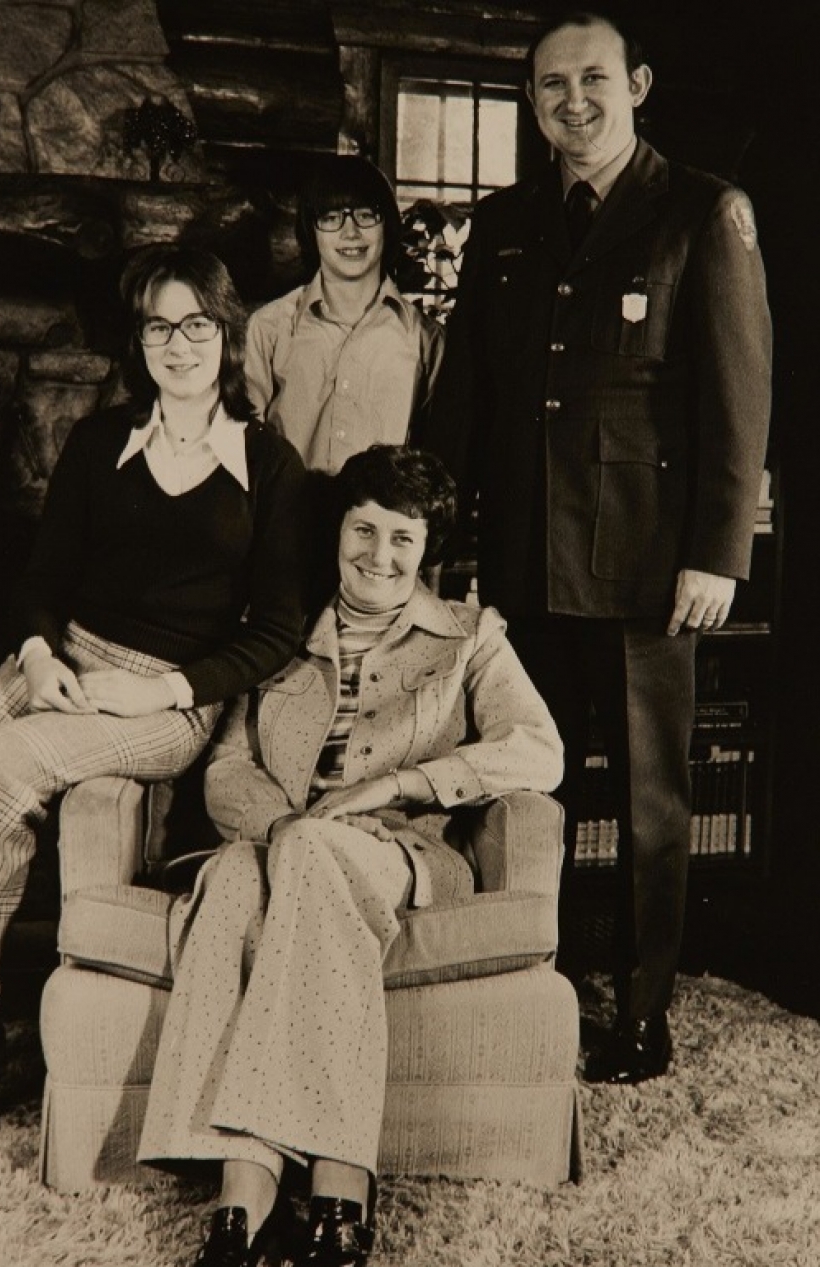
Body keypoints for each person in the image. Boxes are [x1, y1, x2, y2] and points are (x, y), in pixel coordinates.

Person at [423, 10, 772, 1083]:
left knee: (650, 799)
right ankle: (538, 974)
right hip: (525, 560)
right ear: (531, 101)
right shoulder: (508, 222)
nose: (572, 102)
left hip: (645, 568)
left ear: (639, 85)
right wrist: (431, 532)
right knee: (531, 783)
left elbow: (737, 397)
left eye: (592, 81)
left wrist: (717, 555)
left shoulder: (703, 213)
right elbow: (467, 397)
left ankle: (645, 1007)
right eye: (549, 86)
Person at [137, 445, 563, 1267]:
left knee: (304, 859)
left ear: (426, 547)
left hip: (399, 852)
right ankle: (299, 1209)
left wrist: (399, 784)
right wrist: (284, 827)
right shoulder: (279, 633)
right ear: (336, 533)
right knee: (230, 874)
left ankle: (272, 1196)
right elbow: (228, 766)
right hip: (284, 843)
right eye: (364, 530)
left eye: (402, 538)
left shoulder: (471, 637)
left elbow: (539, 750)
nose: (379, 555)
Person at [0, 245, 307, 1122]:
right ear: (139, 340)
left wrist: (170, 691)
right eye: (158, 326)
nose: (176, 345)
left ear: (226, 337)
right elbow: (40, 578)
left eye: (195, 325)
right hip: (63, 654)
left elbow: (277, 631)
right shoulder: (99, 438)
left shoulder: (271, 465)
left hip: (166, 696)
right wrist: (38, 655)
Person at [243, 154, 444, 474]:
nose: (350, 232)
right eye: (331, 217)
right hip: (289, 520)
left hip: (383, 520)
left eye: (366, 215)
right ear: (311, 230)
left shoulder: (425, 339)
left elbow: (434, 459)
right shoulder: (269, 328)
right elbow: (246, 447)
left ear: (387, 225)